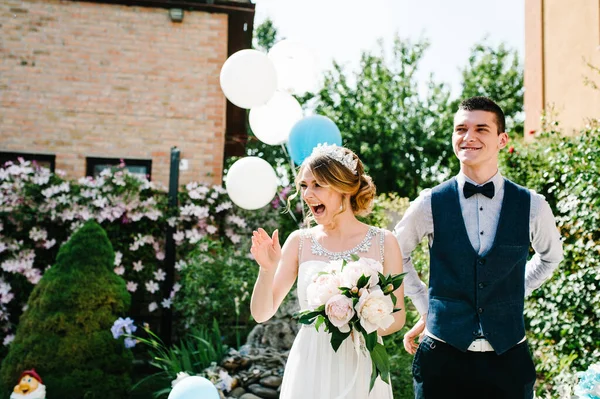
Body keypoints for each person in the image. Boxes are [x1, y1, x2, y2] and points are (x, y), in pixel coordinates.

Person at [394, 96, 564, 399]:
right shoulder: (429, 202)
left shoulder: (533, 205)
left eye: (481, 129)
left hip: (508, 360)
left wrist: (514, 289)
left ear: (502, 140)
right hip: (442, 359)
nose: (468, 137)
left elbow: (550, 258)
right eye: (461, 129)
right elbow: (396, 254)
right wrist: (425, 306)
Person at [250, 144, 406, 399]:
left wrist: (357, 319)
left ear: (345, 187)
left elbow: (397, 319)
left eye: (317, 185)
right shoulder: (299, 241)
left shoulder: (384, 241)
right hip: (310, 363)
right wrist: (266, 270)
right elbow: (261, 313)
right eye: (303, 185)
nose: (307, 194)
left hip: (360, 361)